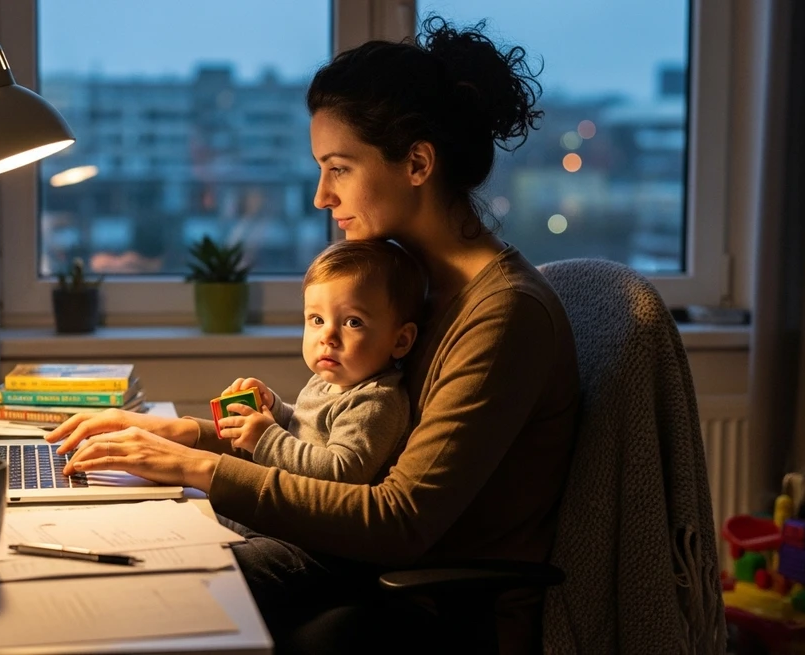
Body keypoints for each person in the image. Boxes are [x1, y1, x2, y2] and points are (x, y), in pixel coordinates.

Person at [46, 16, 579, 651]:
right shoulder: (418, 292)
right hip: (361, 570)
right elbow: (339, 444)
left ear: (417, 162)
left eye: (339, 168)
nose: (322, 196)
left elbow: (397, 519)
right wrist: (187, 433)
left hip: (427, 605)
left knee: (165, 594)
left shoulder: (502, 315)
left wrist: (199, 466)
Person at [216, 239, 425, 483]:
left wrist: (267, 438)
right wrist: (274, 408)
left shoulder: (374, 402)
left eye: (353, 322)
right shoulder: (326, 382)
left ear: (400, 341)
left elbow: (341, 472)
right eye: (317, 319)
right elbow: (305, 429)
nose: (328, 337)